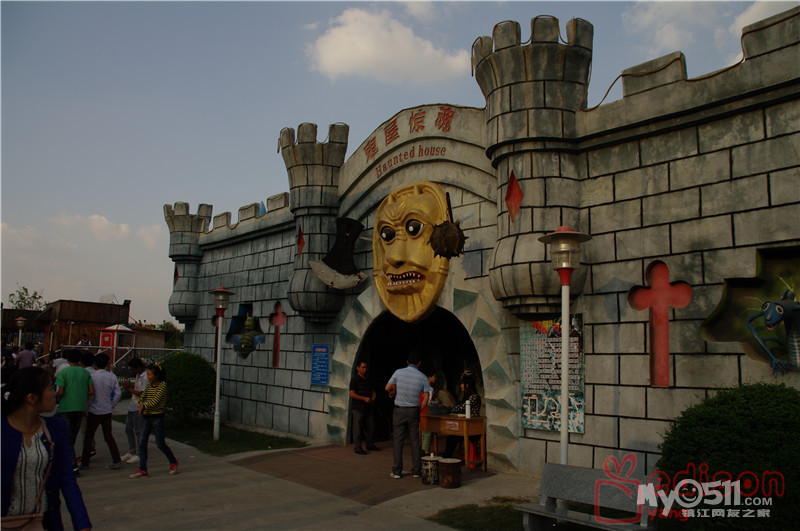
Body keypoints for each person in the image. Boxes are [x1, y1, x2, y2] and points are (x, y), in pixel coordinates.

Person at [2, 367, 92, 530]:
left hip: (43, 523)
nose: (54, 393)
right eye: (50, 388)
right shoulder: (3, 431)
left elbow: (66, 478)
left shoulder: (55, 428)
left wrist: (82, 523)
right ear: (32, 398)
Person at [385, 350, 430, 479]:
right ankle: (416, 470)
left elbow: (387, 387)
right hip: (413, 410)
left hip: (399, 409)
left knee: (398, 440)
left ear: (407, 362)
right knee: (415, 440)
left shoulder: (398, 372)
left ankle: (397, 471)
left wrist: (392, 393)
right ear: (419, 363)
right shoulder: (422, 377)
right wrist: (420, 408)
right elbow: (426, 396)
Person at [129, 364, 178, 478]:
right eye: (147, 374)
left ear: (156, 375)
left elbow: (156, 400)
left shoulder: (162, 386)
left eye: (150, 374)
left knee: (160, 444)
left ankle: (173, 462)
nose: (148, 376)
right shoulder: (150, 385)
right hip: (147, 417)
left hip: (157, 417)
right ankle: (143, 469)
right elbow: (143, 396)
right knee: (142, 443)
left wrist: (144, 406)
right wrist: (141, 403)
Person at [79, 353, 122, 470]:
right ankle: (116, 459)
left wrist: (86, 408)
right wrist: (111, 404)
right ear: (107, 364)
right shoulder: (111, 376)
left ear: (95, 363)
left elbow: (89, 395)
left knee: (88, 437)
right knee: (108, 436)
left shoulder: (92, 376)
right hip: (106, 409)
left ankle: (85, 462)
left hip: (94, 409)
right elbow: (118, 393)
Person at [55, 350, 94, 475]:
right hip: (79, 407)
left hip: (66, 407)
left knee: (67, 437)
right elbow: (91, 391)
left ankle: (72, 466)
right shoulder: (85, 373)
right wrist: (80, 394)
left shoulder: (63, 372)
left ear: (68, 359)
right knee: (72, 436)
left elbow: (60, 392)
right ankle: (69, 462)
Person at [442, 375, 482, 459]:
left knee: (452, 438)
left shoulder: (474, 396)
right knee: (451, 436)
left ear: (467, 385)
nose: (461, 386)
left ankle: (446, 458)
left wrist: (449, 408)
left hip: (472, 427)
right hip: (466, 425)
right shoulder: (467, 396)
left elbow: (462, 407)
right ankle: (447, 457)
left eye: (462, 384)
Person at [349, 360, 379, 455]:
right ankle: (357, 447)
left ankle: (369, 443)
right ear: (358, 368)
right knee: (357, 427)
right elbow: (352, 394)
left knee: (371, 426)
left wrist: (373, 396)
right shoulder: (355, 379)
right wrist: (364, 398)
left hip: (368, 406)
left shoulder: (367, 379)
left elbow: (372, 389)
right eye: (363, 367)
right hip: (358, 407)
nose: (365, 369)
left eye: (366, 367)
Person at [120, 358, 147, 464]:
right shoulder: (138, 376)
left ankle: (140, 453)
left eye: (133, 369)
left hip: (139, 407)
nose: (132, 372)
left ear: (138, 368)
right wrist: (130, 387)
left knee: (139, 431)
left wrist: (128, 389)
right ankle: (132, 450)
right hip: (132, 406)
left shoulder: (145, 377)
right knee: (128, 429)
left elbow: (142, 394)